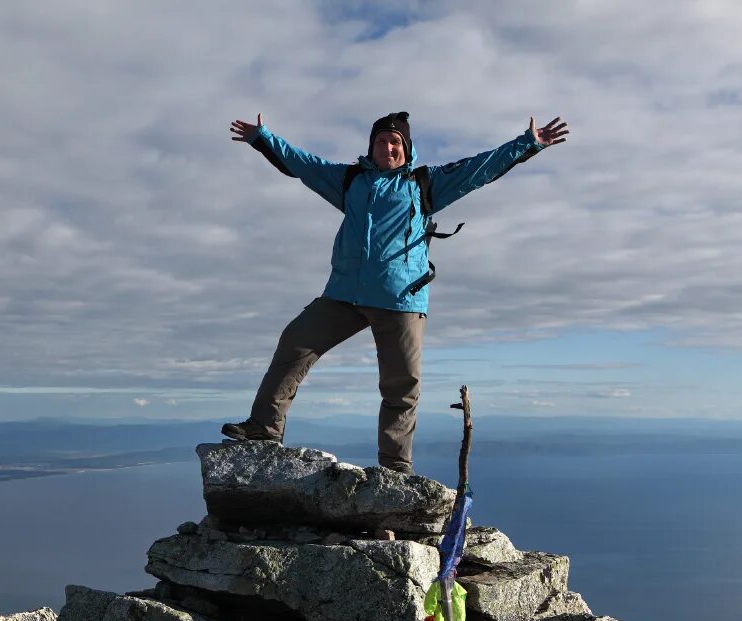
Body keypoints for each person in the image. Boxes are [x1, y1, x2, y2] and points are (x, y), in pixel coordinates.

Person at [222, 110, 569, 474]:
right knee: (295, 342)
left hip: (400, 298)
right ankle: (264, 428)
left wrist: (527, 143)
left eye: (395, 142)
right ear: (370, 147)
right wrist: (263, 138)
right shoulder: (350, 180)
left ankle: (395, 470)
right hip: (345, 293)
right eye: (381, 141)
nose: (388, 147)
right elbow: (303, 165)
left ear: (407, 148)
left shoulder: (424, 183)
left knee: (401, 387)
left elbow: (478, 170)